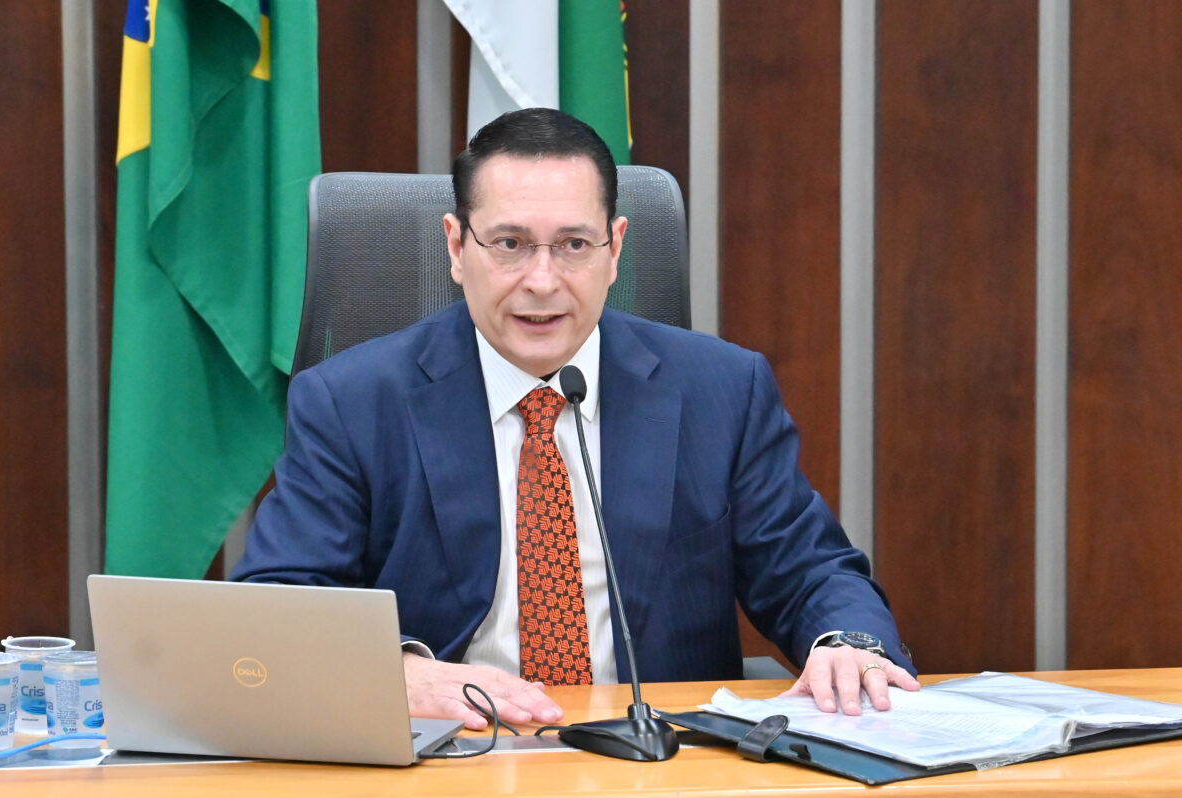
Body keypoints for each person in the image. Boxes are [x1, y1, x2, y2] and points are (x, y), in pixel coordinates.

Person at [233, 108, 919, 731]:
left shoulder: (721, 391)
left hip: (657, 758)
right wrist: (399, 671)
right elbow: (280, 604)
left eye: (573, 245)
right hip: (449, 755)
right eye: (509, 243)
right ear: (456, 247)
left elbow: (810, 571)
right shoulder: (352, 402)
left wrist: (847, 643)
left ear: (615, 248)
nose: (541, 280)